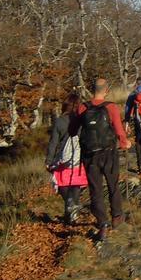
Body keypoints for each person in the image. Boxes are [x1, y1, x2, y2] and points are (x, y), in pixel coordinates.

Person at [71, 78, 130, 244]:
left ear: (92, 89)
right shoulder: (111, 107)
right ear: (106, 90)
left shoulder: (83, 107)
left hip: (89, 154)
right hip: (109, 152)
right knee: (113, 184)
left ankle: (102, 223)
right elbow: (119, 130)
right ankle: (117, 217)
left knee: (95, 189)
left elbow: (72, 131)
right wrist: (125, 143)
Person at [45, 93, 87, 225]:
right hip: (79, 158)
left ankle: (69, 207)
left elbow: (53, 143)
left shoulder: (60, 121)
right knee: (75, 184)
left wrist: (48, 161)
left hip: (63, 159)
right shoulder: (82, 119)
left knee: (63, 183)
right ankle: (72, 211)